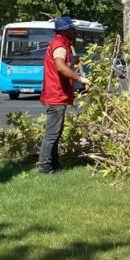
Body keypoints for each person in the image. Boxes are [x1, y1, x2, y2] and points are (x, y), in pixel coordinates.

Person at [38, 17, 90, 174]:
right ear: (65, 31)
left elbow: (64, 65)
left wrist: (73, 62)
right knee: (52, 134)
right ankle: (45, 168)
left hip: (56, 94)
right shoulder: (59, 45)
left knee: (55, 133)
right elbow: (60, 67)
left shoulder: (62, 44)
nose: (74, 32)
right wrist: (80, 78)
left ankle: (53, 165)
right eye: (71, 29)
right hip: (56, 95)